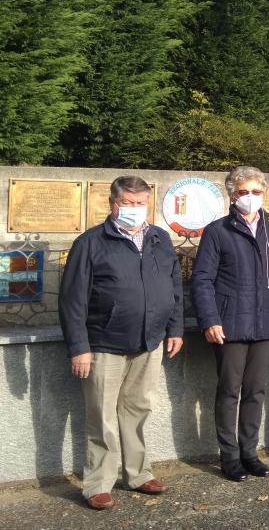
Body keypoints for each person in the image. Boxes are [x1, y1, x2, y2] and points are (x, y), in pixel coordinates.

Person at [59, 176, 183, 510]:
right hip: (104, 343)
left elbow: (173, 287)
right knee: (101, 416)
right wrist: (79, 347)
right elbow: (72, 300)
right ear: (113, 204)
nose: (134, 208)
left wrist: (175, 328)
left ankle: (138, 474)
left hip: (149, 341)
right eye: (127, 202)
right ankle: (98, 484)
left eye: (140, 202)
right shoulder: (91, 242)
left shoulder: (160, 238)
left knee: (138, 410)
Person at [191, 166, 269, 482]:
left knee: (256, 390)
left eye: (256, 192)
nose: (250, 197)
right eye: (243, 192)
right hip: (230, 324)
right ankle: (230, 456)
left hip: (265, 323)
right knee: (229, 390)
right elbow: (203, 279)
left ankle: (250, 452)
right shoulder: (218, 231)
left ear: (264, 193)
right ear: (232, 195)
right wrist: (210, 319)